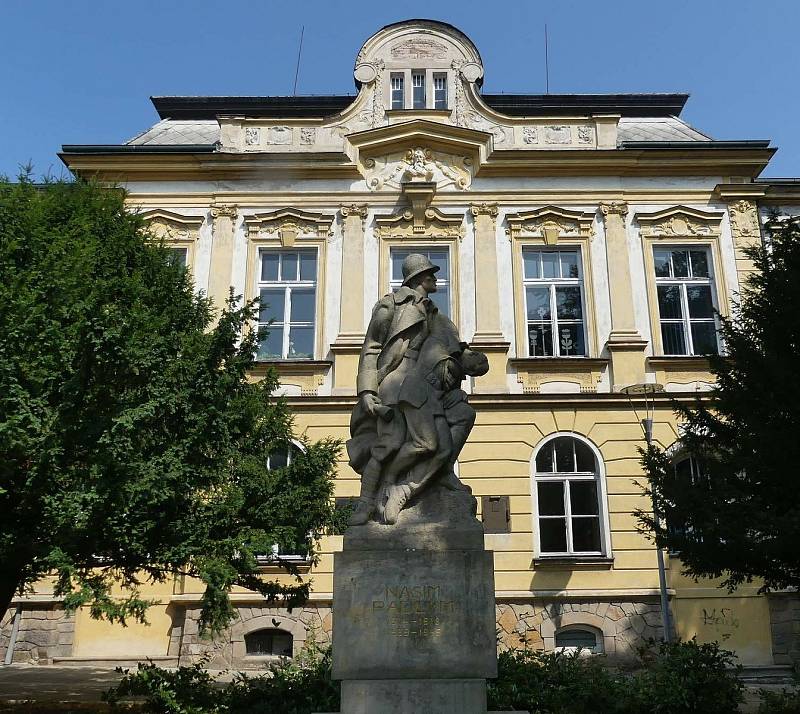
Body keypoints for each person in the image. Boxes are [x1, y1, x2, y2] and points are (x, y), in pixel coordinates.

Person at [346, 253, 441, 526]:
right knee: (387, 445)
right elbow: (371, 347)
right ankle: (366, 504)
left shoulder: (432, 310)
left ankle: (400, 487)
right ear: (419, 278)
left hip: (423, 384)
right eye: (430, 273)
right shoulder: (391, 306)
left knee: (434, 443)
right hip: (395, 382)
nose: (435, 278)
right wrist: (366, 390)